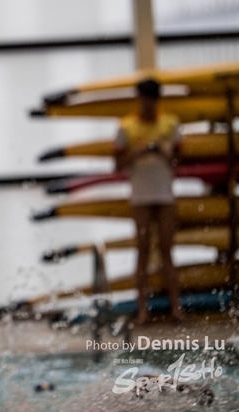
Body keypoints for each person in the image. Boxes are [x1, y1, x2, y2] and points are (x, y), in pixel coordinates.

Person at [114, 78, 183, 326]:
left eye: (150, 99)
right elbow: (117, 164)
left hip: (164, 194)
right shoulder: (126, 127)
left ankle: (176, 308)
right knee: (142, 249)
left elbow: (178, 161)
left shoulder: (171, 124)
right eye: (144, 99)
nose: (147, 104)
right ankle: (142, 310)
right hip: (140, 195)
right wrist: (139, 152)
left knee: (167, 250)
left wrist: (162, 152)